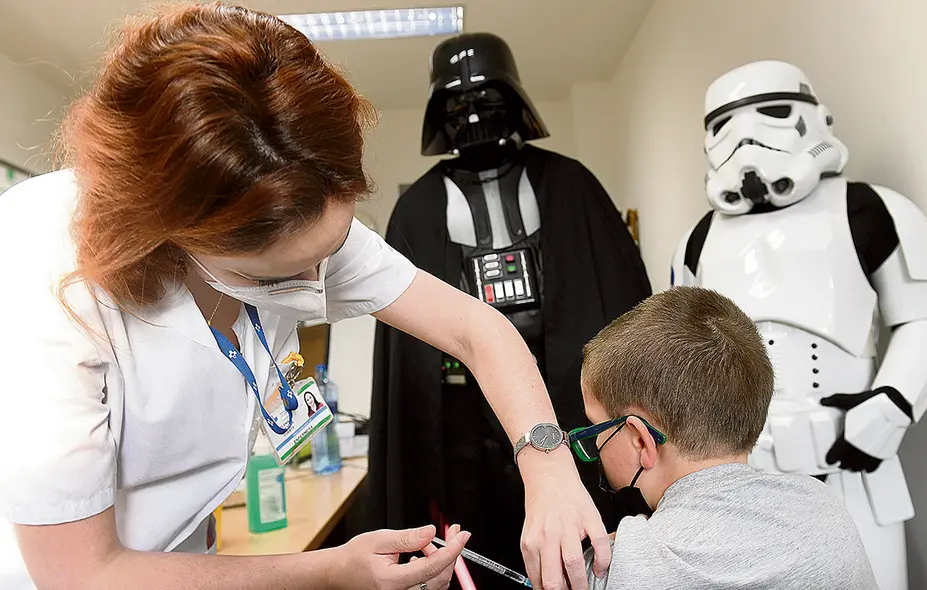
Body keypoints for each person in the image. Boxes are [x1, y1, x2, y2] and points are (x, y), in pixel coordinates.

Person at [0, 4, 608, 590]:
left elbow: (476, 329)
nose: (325, 278)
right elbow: (82, 573)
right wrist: (332, 570)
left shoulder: (296, 198)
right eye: (284, 275)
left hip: (191, 552)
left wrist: (547, 463)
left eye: (336, 245)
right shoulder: (44, 277)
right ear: (178, 237)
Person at [574, 287, 878, 589]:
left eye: (598, 429)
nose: (597, 445)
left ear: (642, 440)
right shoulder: (824, 510)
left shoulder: (613, 568)